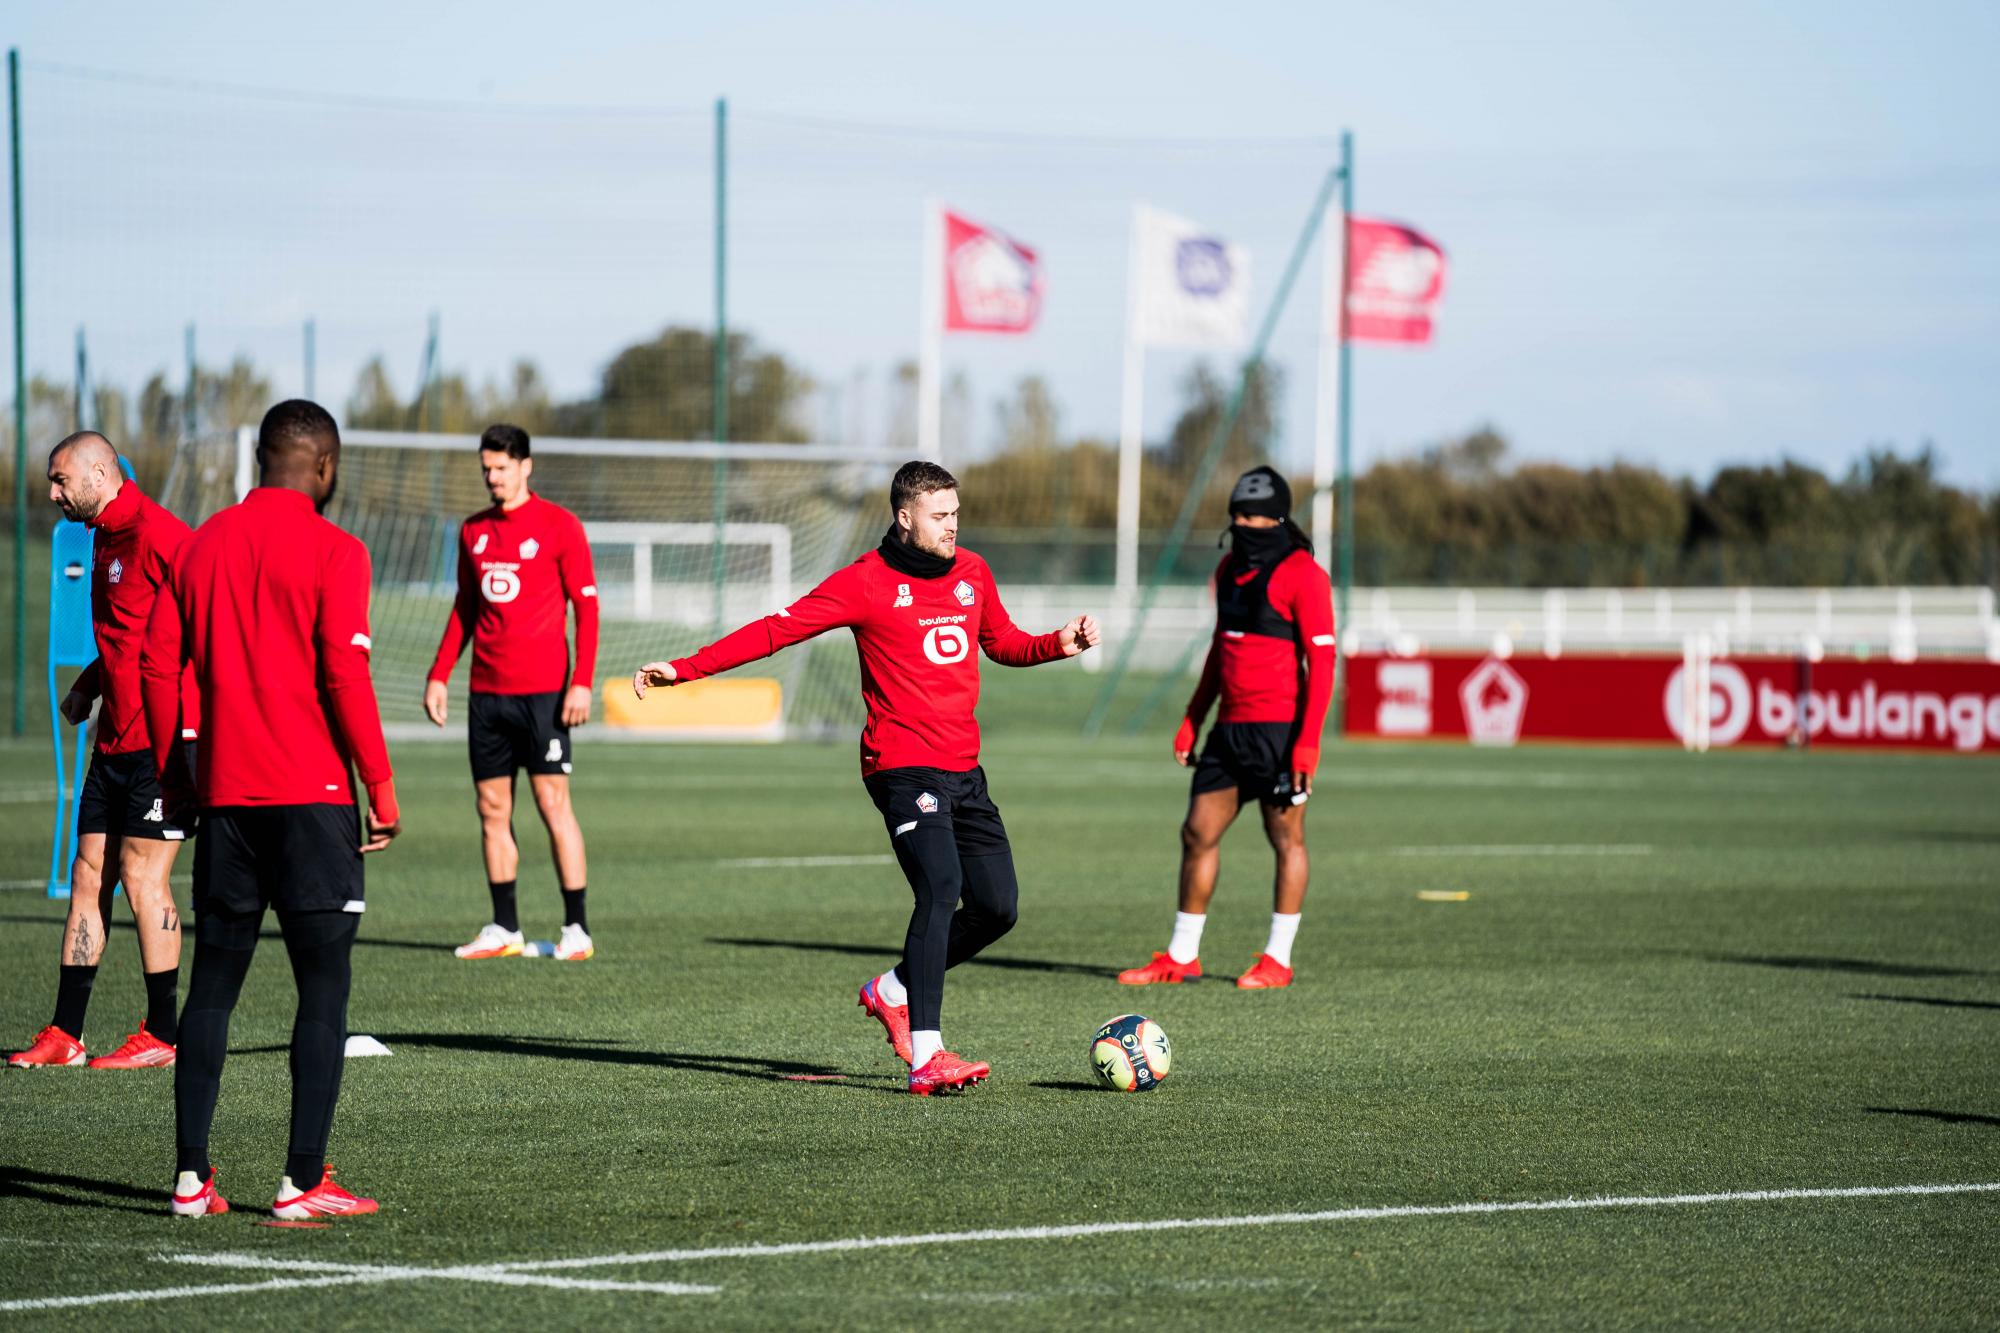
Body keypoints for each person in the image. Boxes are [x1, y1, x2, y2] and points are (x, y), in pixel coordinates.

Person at [635, 460, 1099, 1095]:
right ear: (905, 518)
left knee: (997, 908)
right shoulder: (866, 582)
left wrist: (1058, 643)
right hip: (902, 765)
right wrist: (684, 669)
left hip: (966, 768)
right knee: (940, 886)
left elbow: (1002, 641)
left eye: (956, 514)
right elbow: (778, 630)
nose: (952, 527)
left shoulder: (973, 574)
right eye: (940, 517)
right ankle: (927, 1056)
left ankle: (894, 988)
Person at [141, 399, 400, 1219]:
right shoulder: (338, 549)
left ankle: (190, 1179)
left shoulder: (199, 545)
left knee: (212, 986)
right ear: (323, 466)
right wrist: (381, 786)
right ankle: (302, 1180)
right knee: (323, 988)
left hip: (223, 799)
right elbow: (343, 676)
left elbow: (154, 666)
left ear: (259, 458)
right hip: (314, 800)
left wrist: (175, 777)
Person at [8, 433, 199, 1070]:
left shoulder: (162, 533)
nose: (53, 492)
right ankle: (67, 1032)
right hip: (112, 739)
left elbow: (202, 627)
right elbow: (127, 634)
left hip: (162, 745)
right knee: (89, 876)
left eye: (61, 480)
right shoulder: (102, 539)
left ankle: (164, 1036)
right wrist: (89, 686)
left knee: (146, 880)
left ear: (99, 471)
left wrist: (194, 731)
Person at [1117, 465, 1335, 990]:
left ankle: (1277, 960)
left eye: (1256, 517)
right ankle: (1181, 956)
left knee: (1285, 837)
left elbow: (1322, 665)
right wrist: (1193, 718)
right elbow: (1220, 650)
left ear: (1279, 519)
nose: (1246, 524)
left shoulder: (1304, 575)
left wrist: (1306, 746)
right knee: (1197, 832)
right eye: (1238, 515)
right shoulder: (1226, 571)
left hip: (1280, 734)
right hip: (1229, 731)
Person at [425, 424, 600, 962]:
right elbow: (465, 609)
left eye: (501, 468)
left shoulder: (559, 526)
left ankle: (577, 929)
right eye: (486, 469)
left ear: (526, 466)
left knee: (553, 805)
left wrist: (582, 682)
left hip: (546, 695)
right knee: (491, 807)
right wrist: (439, 673)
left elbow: (587, 608)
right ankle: (505, 928)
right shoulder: (473, 531)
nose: (492, 478)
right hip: (487, 695)